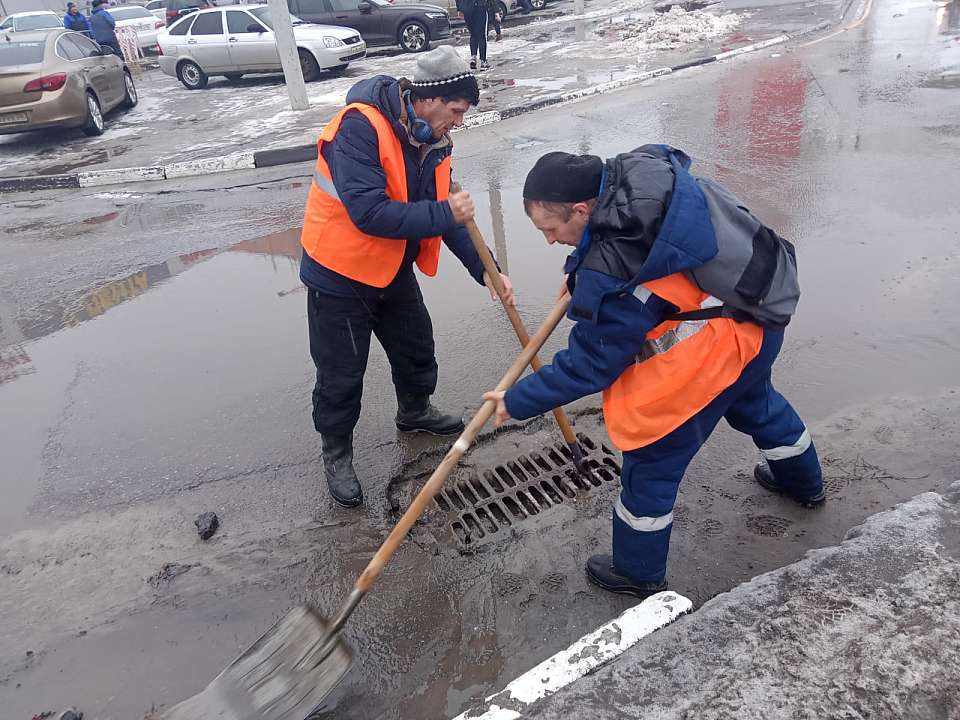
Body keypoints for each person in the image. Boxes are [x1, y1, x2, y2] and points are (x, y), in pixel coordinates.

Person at [484, 146, 824, 599]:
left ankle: (637, 572)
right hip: (756, 324)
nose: (548, 240)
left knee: (650, 467)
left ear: (582, 209)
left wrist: (516, 400)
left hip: (713, 356)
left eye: (551, 228)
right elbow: (613, 251)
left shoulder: (621, 272)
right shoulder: (644, 183)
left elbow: (590, 365)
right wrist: (580, 270)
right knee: (758, 405)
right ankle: (804, 484)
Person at [300, 46, 513, 508]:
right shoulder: (358, 128)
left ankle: (414, 411)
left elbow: (450, 218)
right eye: (455, 111)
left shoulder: (435, 144)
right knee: (341, 374)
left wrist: (488, 270)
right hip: (338, 273)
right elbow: (369, 212)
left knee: (416, 345)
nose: (457, 122)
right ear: (428, 99)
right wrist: (445, 212)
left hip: (389, 266)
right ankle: (336, 452)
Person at [457, 0, 490, 70]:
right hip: (480, 6)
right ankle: (483, 61)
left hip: (467, 8)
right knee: (482, 35)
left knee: (473, 34)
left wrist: (459, 8)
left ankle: (473, 58)